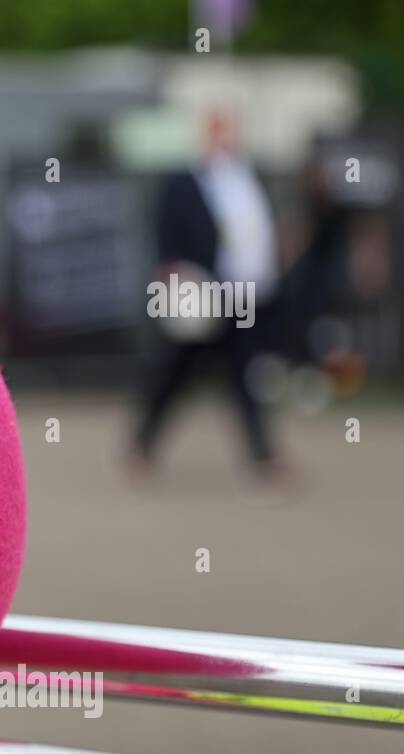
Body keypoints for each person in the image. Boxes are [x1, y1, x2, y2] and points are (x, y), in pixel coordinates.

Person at [131, 110, 285, 479]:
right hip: (203, 293)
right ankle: (144, 441)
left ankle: (261, 454)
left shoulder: (247, 177)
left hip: (244, 294)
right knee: (178, 372)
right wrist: (172, 275)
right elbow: (166, 231)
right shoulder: (184, 180)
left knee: (245, 373)